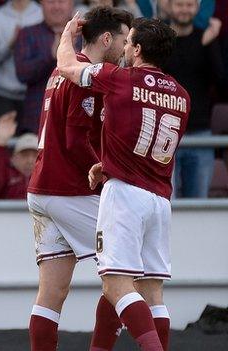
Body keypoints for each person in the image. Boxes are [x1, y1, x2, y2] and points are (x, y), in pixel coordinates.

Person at [57, 14, 190, 351]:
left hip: (126, 196)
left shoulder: (120, 79)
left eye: (129, 41)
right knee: (152, 291)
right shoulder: (182, 95)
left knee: (116, 285)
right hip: (159, 199)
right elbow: (145, 142)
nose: (125, 46)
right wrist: (109, 162)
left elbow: (68, 68)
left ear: (139, 49)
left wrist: (66, 35)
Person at [24, 7, 132, 350]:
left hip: (41, 187)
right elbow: (75, 139)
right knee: (126, 271)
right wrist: (106, 173)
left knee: (52, 293)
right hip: (70, 188)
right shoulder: (85, 74)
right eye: (125, 39)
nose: (128, 48)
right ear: (107, 38)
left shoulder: (61, 67)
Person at [164, 0, 224, 198]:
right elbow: (165, 71)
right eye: (180, 4)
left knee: (199, 205)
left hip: (200, 132)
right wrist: (201, 44)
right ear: (169, 6)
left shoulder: (207, 38)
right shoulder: (160, 39)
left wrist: (207, 43)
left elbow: (221, 82)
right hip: (166, 133)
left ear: (197, 8)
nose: (184, 10)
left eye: (189, 5)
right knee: (166, 203)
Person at [13, 0, 76, 134]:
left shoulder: (85, 35)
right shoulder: (28, 33)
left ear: (71, 4)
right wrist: (50, 56)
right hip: (38, 118)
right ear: (41, 4)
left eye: (62, 2)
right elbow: (22, 74)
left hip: (76, 116)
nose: (56, 6)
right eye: (51, 2)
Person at [0, 0, 43, 134]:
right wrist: (9, 46)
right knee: (3, 149)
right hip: (4, 96)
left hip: (36, 96)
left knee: (35, 148)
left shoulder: (42, 13)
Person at [0, 112, 37, 199]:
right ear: (14, 158)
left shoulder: (47, 179)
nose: (30, 161)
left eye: (35, 156)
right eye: (25, 155)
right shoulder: (6, 175)